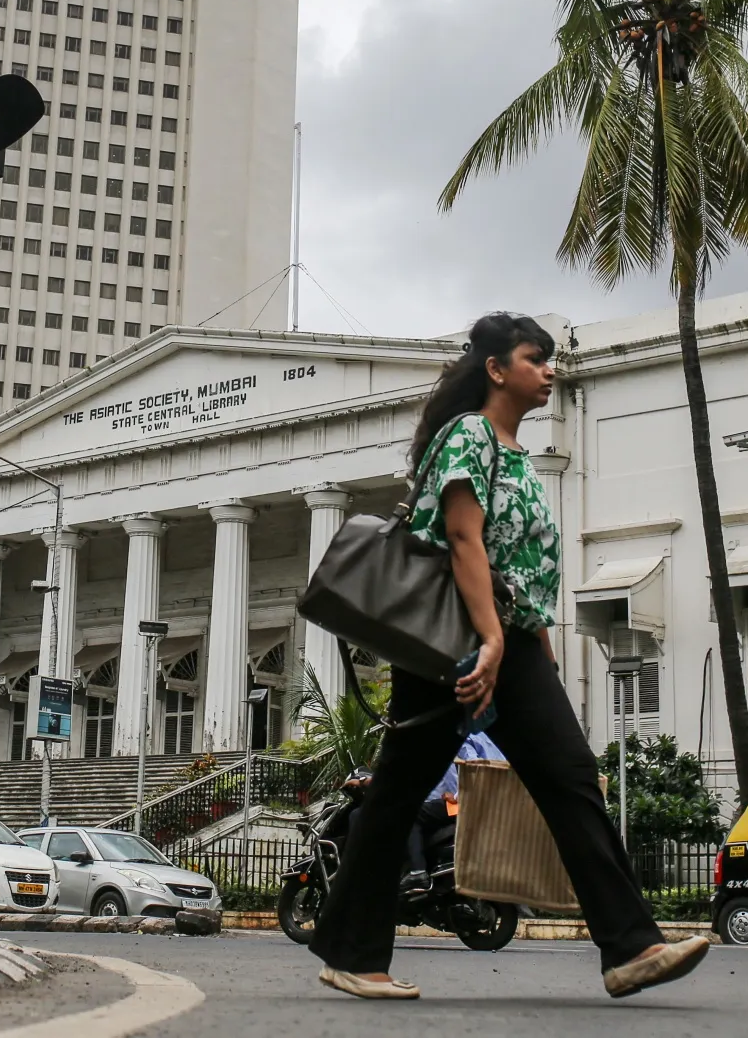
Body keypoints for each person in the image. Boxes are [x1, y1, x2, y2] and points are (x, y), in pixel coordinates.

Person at [309, 313, 708, 1001]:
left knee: (570, 780)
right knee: (402, 790)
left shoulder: (515, 452)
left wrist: (535, 650)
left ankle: (630, 947)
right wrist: (491, 642)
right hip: (455, 641)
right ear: (497, 369)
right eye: (535, 358)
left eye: (551, 359)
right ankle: (351, 951)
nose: (549, 370)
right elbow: (464, 542)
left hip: (511, 641)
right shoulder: (467, 436)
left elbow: (523, 570)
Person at [403, 731, 504, 890]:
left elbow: (474, 769)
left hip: (467, 805)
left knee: (409, 813)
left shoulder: (457, 736)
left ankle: (418, 871)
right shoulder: (489, 738)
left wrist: (457, 796)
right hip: (496, 804)